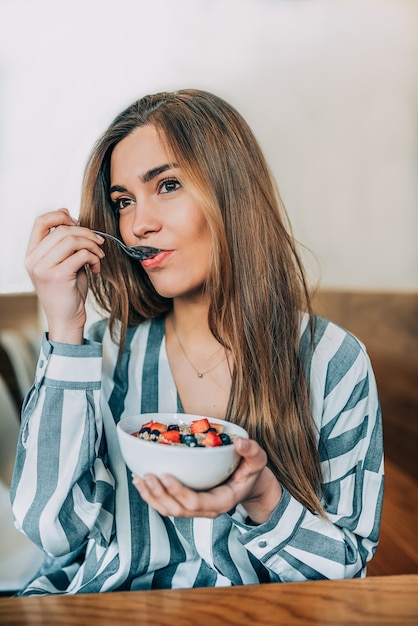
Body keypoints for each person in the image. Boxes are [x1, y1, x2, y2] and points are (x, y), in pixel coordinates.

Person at [10, 89, 383, 595]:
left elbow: (349, 572)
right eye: (123, 201)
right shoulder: (98, 354)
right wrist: (65, 326)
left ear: (233, 192)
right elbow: (51, 530)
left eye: (167, 185)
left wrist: (261, 494)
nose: (139, 222)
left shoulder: (332, 361)